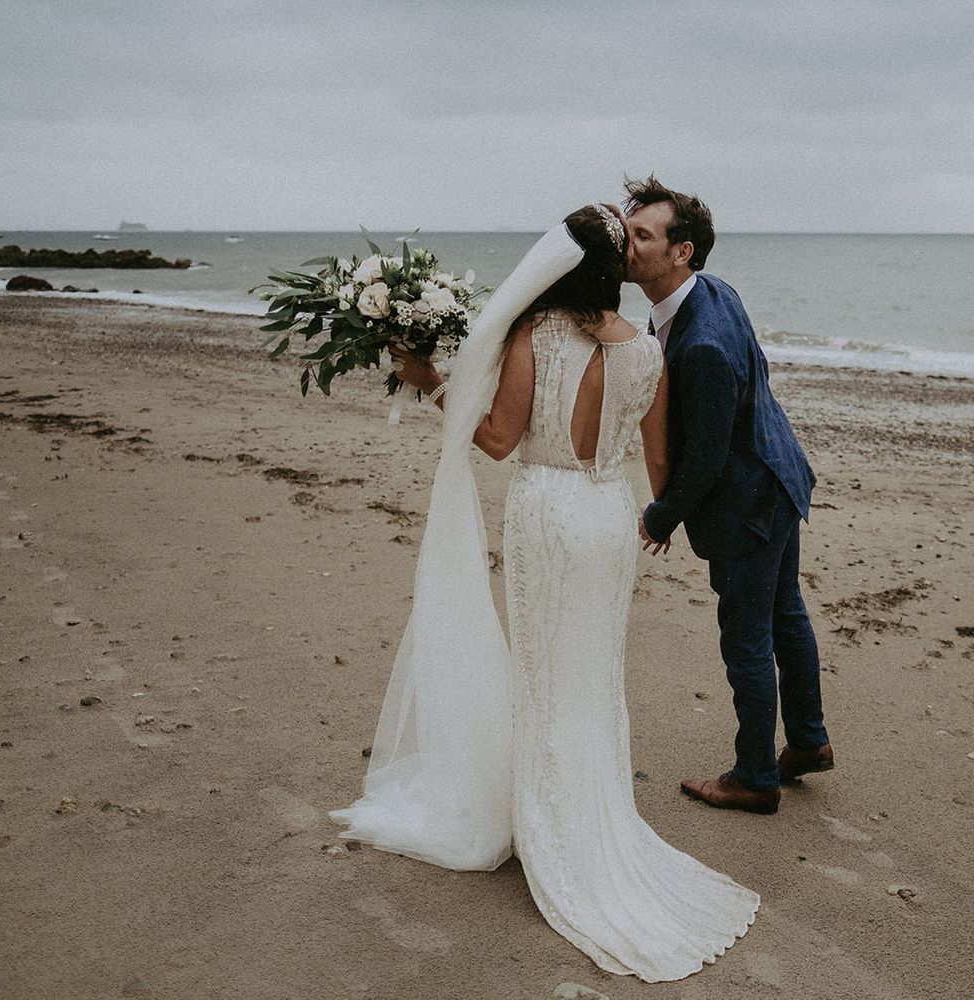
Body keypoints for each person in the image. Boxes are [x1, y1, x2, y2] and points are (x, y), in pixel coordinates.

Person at [331, 205, 758, 982]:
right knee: (591, 679)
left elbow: (497, 440)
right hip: (610, 520)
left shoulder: (539, 336)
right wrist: (664, 523)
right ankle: (592, 823)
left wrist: (431, 383)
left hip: (549, 514)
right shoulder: (646, 353)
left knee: (544, 673)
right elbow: (658, 462)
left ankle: (552, 833)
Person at [624, 175, 834, 815]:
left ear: (680, 252)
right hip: (776, 473)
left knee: (746, 635)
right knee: (785, 614)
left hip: (748, 500)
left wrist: (662, 514)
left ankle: (754, 777)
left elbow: (708, 456)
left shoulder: (704, 342)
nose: (627, 247)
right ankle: (807, 742)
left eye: (641, 236)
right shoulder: (712, 292)